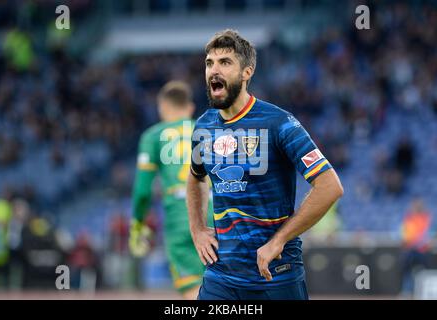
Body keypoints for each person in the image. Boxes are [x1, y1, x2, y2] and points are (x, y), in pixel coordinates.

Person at [187, 29, 344, 300]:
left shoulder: (279, 123)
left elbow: (330, 186)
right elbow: (196, 177)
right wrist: (197, 229)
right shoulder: (203, 127)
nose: (214, 70)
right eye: (209, 63)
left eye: (225, 63)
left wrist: (278, 241)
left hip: (275, 274)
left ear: (247, 72)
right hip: (221, 276)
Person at [130, 81, 213, 300]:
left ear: (162, 107)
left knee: (194, 288)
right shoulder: (210, 130)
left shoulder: (153, 136)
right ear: (190, 108)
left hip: (181, 217)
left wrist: (138, 224)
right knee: (224, 287)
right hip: (217, 215)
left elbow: (142, 192)